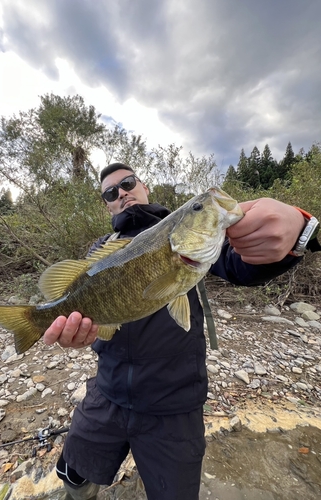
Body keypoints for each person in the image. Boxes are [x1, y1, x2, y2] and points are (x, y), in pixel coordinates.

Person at [44, 162, 308, 500]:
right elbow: (88, 311)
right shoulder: (101, 249)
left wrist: (298, 229)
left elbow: (245, 265)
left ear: (145, 186)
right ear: (107, 204)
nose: (122, 193)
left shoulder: (196, 239)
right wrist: (76, 333)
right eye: (111, 192)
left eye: (127, 183)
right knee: (72, 473)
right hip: (107, 393)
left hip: (175, 404)